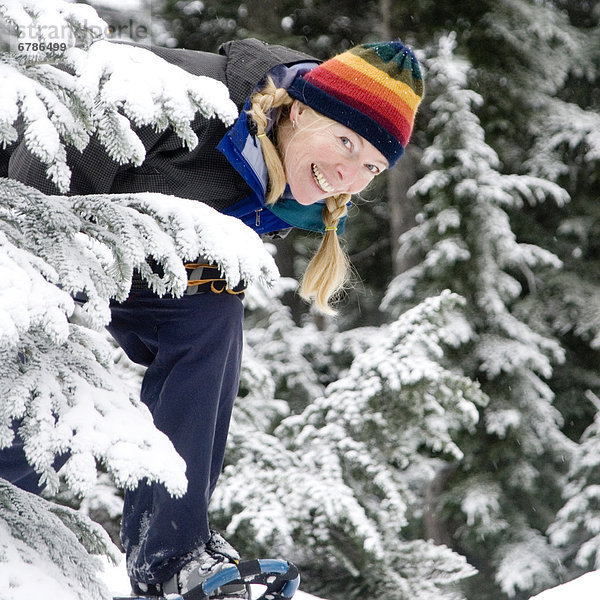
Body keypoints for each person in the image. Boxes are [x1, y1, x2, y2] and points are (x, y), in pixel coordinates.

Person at [4, 37, 424, 597]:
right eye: (345, 141)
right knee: (46, 414)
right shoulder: (186, 99)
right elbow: (51, 152)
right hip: (26, 218)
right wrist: (36, 291)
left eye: (370, 164)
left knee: (208, 319)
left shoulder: (292, 184)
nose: (349, 175)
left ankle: (171, 561)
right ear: (298, 110)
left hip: (111, 251)